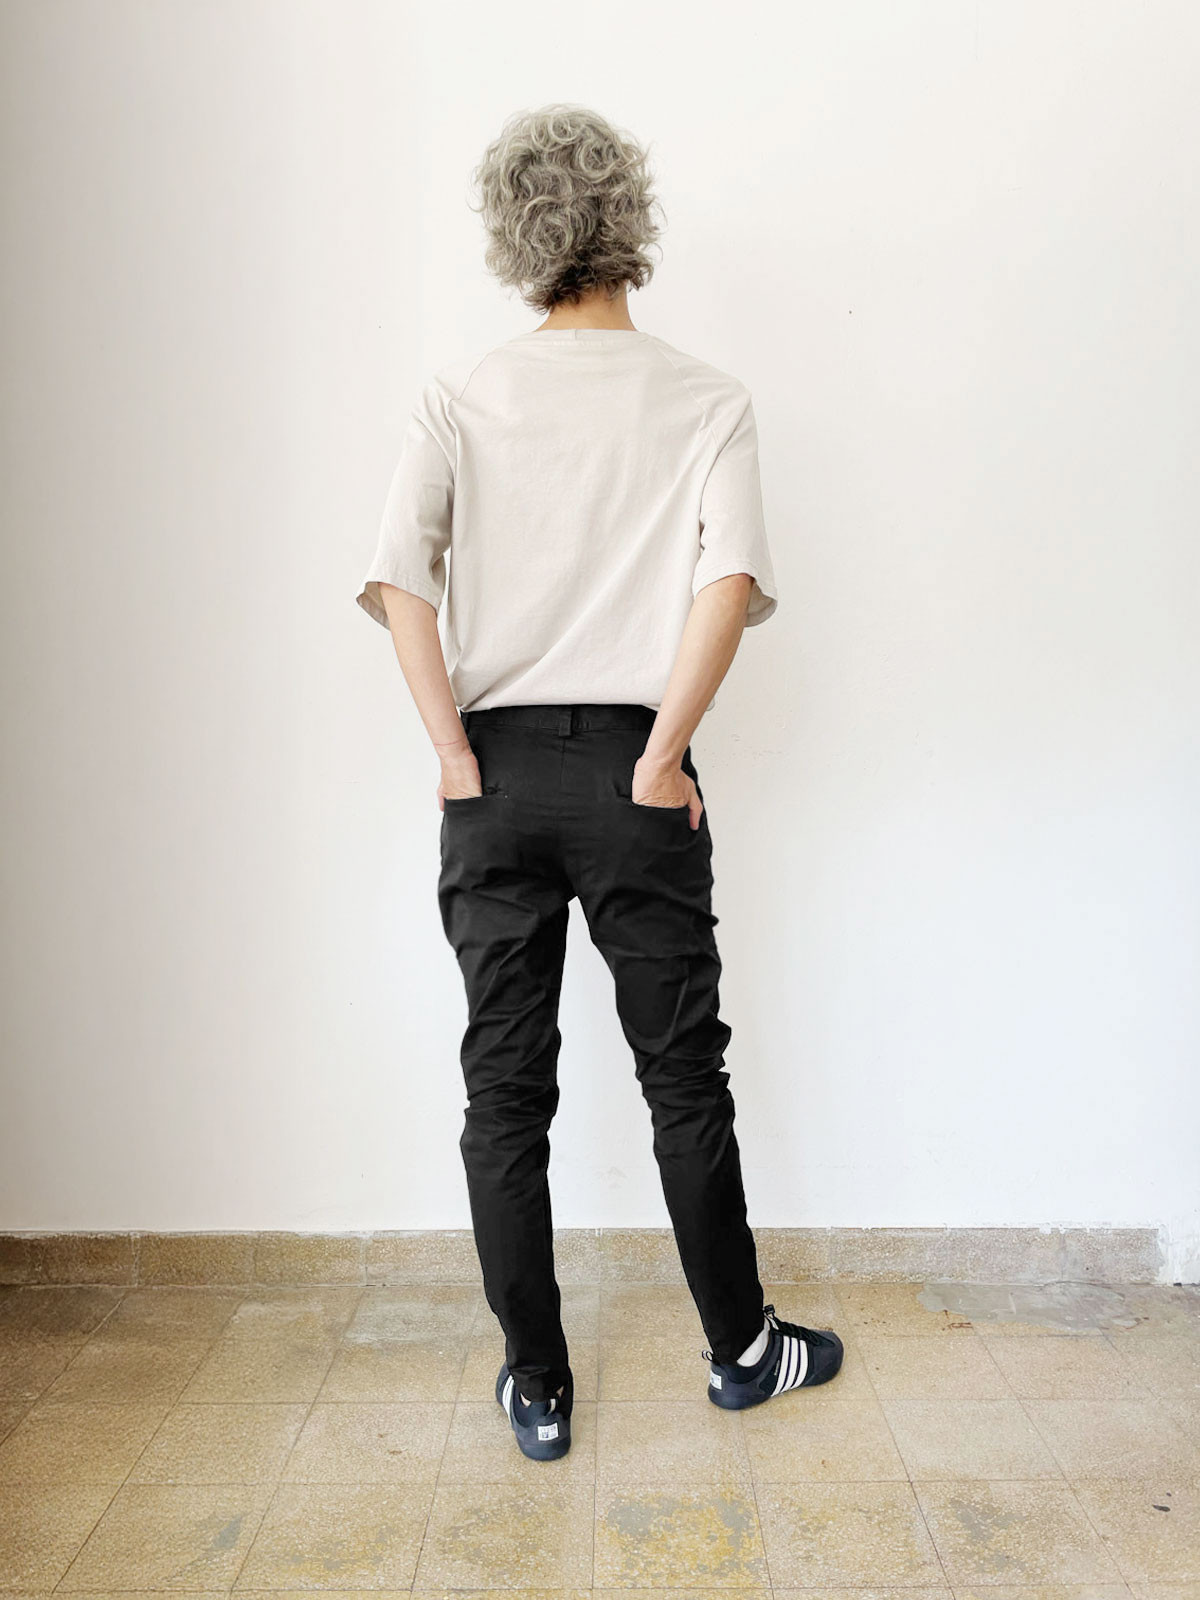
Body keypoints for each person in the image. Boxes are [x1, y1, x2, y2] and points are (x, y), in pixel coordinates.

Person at [355, 103, 843, 1461]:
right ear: (631, 219)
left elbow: (401, 582)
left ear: (514, 236)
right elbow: (727, 581)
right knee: (683, 1077)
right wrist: (664, 752)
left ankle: (538, 1383)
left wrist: (454, 755)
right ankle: (742, 1352)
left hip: (495, 778)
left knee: (504, 1093)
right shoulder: (706, 398)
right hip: (636, 770)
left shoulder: (460, 394)